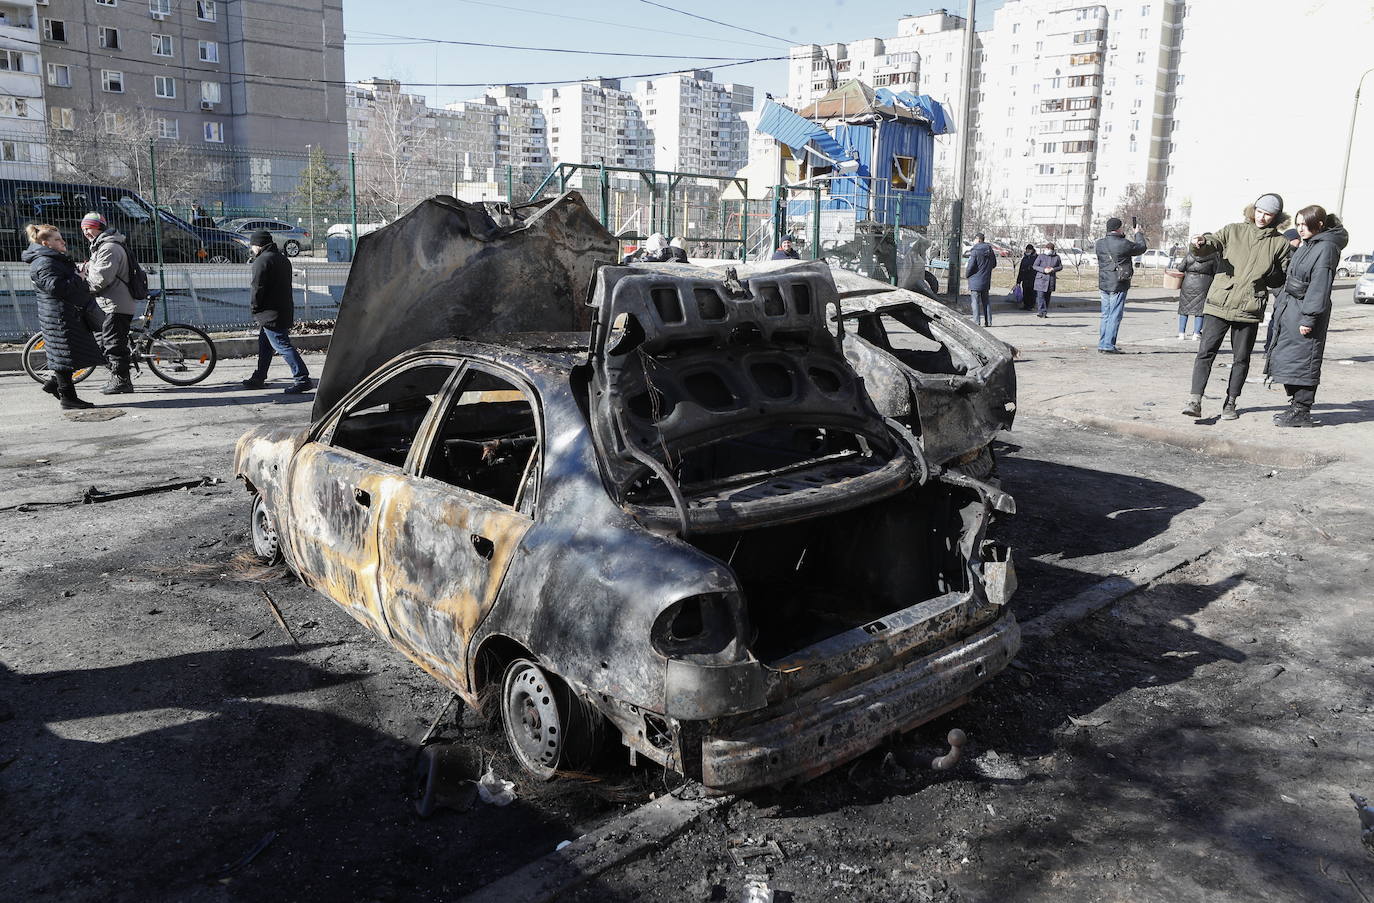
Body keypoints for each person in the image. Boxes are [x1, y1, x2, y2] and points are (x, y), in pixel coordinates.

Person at [1182, 192, 1292, 420]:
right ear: (1254, 210)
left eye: (1268, 214)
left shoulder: (1280, 243)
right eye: (1260, 212)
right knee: (1205, 352)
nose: (1262, 217)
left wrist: (1272, 273)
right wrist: (1200, 243)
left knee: (1241, 359)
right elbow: (1211, 243)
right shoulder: (1233, 230)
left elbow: (1280, 280)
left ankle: (1231, 402)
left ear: (1276, 217)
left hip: (1249, 309)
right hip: (1219, 303)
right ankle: (1195, 399)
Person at [1264, 205, 1347, 427]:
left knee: (1304, 359)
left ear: (1319, 224)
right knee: (1289, 357)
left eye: (1304, 224)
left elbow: (1320, 285)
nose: (1300, 228)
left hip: (1305, 311)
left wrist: (1309, 318)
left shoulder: (1326, 247)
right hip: (1291, 308)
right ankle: (1295, 406)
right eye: (1298, 224)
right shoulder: (1309, 244)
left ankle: (1302, 410)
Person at [23, 224, 103, 410]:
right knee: (64, 358)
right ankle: (68, 398)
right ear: (46, 243)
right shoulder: (44, 262)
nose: (63, 241)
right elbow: (56, 288)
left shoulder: (51, 259)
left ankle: (56, 387)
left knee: (70, 356)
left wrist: (77, 274)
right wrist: (79, 278)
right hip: (59, 316)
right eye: (57, 239)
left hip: (66, 314)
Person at [241, 230, 312, 394]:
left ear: (258, 245)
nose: (252, 248)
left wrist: (254, 308)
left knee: (282, 346)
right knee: (265, 345)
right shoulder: (282, 259)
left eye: (253, 245)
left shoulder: (261, 262)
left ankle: (302, 379)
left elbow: (257, 288)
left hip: (269, 313)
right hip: (283, 309)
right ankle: (259, 377)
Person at [79, 211, 137, 395]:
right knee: (105, 341)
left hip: (115, 304)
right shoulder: (101, 246)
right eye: (84, 229)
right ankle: (117, 377)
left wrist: (80, 286)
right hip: (109, 302)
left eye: (90, 228)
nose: (87, 232)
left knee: (113, 344)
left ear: (99, 228)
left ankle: (123, 382)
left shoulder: (109, 247)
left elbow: (101, 279)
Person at [1094, 217, 1147, 353]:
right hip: (1118, 282)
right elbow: (1141, 247)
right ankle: (1108, 345)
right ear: (1118, 228)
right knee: (1115, 314)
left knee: (1105, 314)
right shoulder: (1123, 243)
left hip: (1104, 282)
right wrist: (1138, 233)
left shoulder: (1099, 243)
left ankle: (1102, 343)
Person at [1176, 249, 1215, 340]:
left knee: (1184, 309)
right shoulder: (1212, 256)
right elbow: (1216, 270)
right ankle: (1196, 334)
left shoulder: (1189, 255)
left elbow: (1181, 268)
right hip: (1204, 284)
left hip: (1188, 284)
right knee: (1199, 310)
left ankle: (1181, 333)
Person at [964, 232, 996, 327]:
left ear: (978, 239)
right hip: (986, 279)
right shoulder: (990, 250)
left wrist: (967, 275)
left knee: (975, 302)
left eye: (974, 239)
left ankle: (976, 322)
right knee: (986, 301)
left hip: (975, 280)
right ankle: (988, 322)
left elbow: (970, 266)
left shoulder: (975, 251)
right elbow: (994, 264)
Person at [1032, 242, 1063, 318]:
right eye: (1046, 248)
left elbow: (1060, 267)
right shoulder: (1041, 256)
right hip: (1041, 279)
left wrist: (1053, 269)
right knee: (1040, 296)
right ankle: (1040, 311)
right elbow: (1035, 266)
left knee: (1047, 297)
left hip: (1050, 280)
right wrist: (1043, 270)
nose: (1047, 250)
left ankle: (1044, 312)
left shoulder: (1057, 257)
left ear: (1052, 250)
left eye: (1049, 249)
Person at [1015, 244, 1037, 310]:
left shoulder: (1036, 258)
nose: (1027, 251)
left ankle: (1031, 306)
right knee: (1025, 292)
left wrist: (1031, 268)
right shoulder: (1024, 258)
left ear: (1032, 250)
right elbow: (1021, 269)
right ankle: (1026, 305)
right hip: (1025, 278)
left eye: (1029, 250)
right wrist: (1018, 280)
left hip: (1033, 278)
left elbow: (1037, 267)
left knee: (1032, 292)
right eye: (1027, 250)